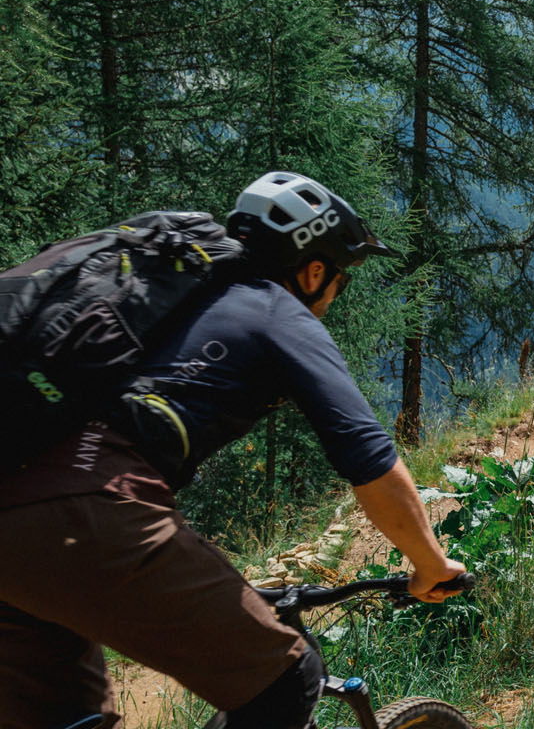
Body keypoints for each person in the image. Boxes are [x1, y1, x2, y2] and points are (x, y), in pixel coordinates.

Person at [0, 172, 468, 729]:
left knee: (67, 716)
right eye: (340, 278)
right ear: (314, 270)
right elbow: (372, 463)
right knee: (286, 680)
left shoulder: (173, 300)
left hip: (21, 498)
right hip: (88, 510)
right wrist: (429, 564)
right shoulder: (276, 310)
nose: (335, 293)